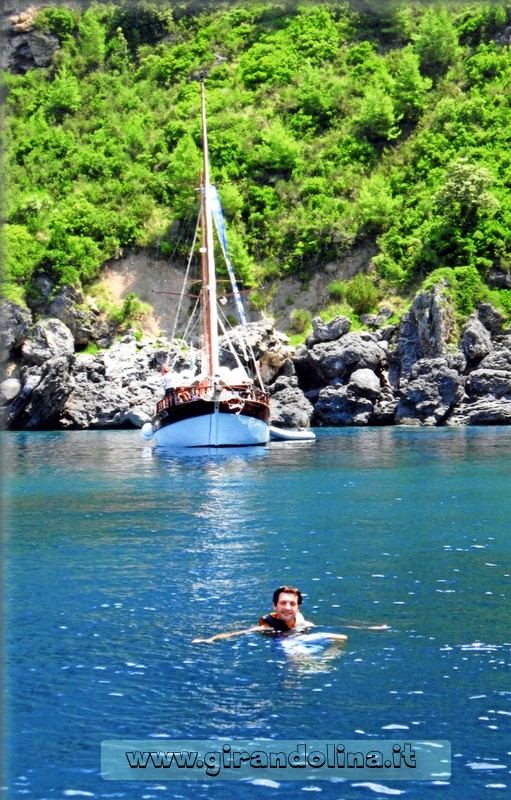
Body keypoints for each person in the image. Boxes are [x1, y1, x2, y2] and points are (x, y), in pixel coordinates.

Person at [192, 585, 352, 644]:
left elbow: (344, 626)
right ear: (274, 606)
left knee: (339, 638)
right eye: (283, 603)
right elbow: (238, 633)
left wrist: (374, 628)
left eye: (292, 604)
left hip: (301, 641)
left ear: (298, 608)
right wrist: (209, 639)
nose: (287, 607)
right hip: (282, 646)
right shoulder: (267, 627)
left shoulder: (305, 624)